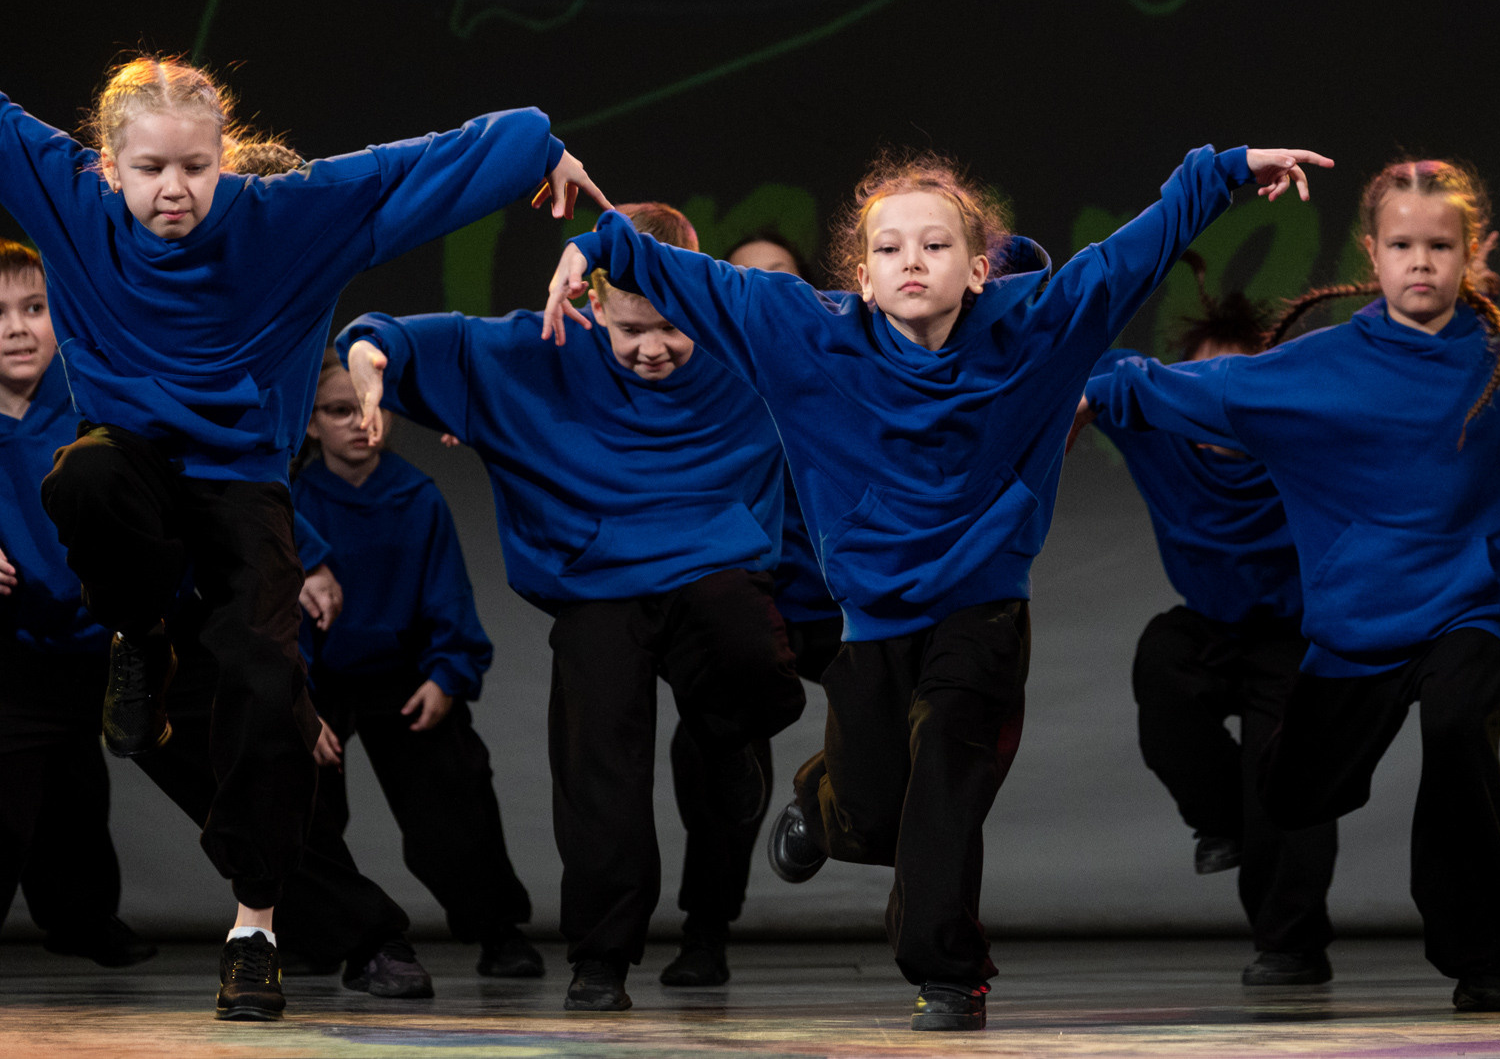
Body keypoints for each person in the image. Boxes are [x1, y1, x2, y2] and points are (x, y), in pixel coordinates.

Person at [542, 142, 1332, 1030]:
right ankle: (823, 800)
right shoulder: (810, 332)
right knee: (873, 819)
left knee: (948, 779)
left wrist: (1225, 171)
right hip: (875, 618)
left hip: (983, 604)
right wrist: (601, 243)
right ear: (865, 279)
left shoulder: (1035, 324)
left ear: (980, 269)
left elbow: (1130, 256)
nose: (910, 261)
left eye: (934, 245)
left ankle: (949, 973)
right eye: (889, 250)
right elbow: (697, 279)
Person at [2, 53, 606, 1020]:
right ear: (107, 165)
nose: (174, 190)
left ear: (222, 157)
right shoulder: (66, 195)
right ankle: (141, 639)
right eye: (150, 169)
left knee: (262, 684)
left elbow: (427, 165)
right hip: (134, 467)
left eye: (195, 167)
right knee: (88, 473)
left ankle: (256, 929)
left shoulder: (285, 215)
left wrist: (541, 146)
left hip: (243, 481)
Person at [1083, 158, 1500, 1012]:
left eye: (1440, 244)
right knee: (1292, 793)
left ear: (1477, 250)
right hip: (1361, 626)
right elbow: (1193, 388)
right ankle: (1275, 828)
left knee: (1460, 721)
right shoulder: (1319, 369)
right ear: (1374, 251)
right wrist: (1086, 395)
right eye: (1402, 244)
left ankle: (1484, 960)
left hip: (1476, 612)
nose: (1421, 261)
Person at [341, 202, 806, 1012]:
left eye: (672, 324)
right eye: (631, 329)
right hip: (599, 585)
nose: (653, 347)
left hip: (716, 566)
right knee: (599, 770)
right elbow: (414, 337)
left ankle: (730, 741)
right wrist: (371, 353)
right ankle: (601, 960)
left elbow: (876, 327)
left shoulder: (751, 339)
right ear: (593, 306)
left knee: (747, 649)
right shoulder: (543, 347)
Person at [1071, 252, 1337, 986]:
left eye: (1237, 388)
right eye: (1195, 389)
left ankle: (1292, 945)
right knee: (1163, 660)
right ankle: (1222, 821)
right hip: (1210, 625)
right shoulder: (1153, 422)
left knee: (1288, 773)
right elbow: (1076, 365)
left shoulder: (1304, 440)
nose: (1213, 405)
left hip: (1295, 634)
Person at [292, 351, 542, 980]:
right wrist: (292, 697)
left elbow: (447, 596)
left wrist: (446, 674)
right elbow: (273, 615)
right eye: (338, 411)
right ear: (311, 423)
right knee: (295, 795)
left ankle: (499, 932)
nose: (359, 423)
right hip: (315, 680)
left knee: (453, 799)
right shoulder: (290, 505)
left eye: (370, 408)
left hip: (401, 674)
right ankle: (321, 936)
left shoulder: (415, 497)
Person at [0, 238, 156, 969]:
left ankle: (85, 915)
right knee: (11, 791)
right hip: (14, 642)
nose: (17, 326)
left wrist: (309, 555)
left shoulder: (86, 401)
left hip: (98, 631)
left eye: (35, 308)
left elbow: (186, 478)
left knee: (76, 790)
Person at [724, 232, 842, 680]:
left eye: (778, 276)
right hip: (753, 605)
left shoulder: (852, 378)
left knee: (890, 733)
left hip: (848, 606)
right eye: (741, 279)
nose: (762, 289)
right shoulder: (706, 393)